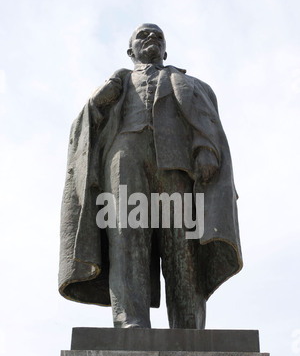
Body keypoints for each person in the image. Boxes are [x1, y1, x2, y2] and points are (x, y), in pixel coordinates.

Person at [59, 23, 243, 329]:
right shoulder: (115, 84)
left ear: (165, 51)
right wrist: (97, 102)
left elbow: (207, 120)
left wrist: (206, 150)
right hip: (124, 160)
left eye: (158, 36)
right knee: (126, 239)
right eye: (143, 35)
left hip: (176, 163)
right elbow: (82, 134)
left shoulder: (190, 84)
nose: (151, 39)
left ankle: (188, 325)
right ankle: (130, 321)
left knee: (182, 245)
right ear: (130, 51)